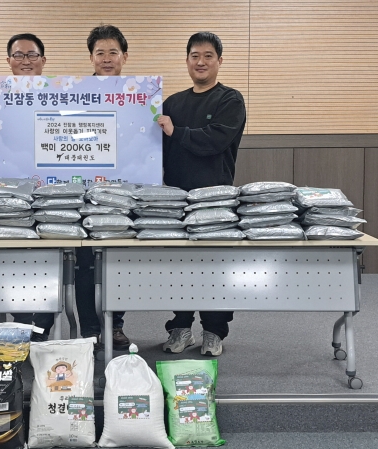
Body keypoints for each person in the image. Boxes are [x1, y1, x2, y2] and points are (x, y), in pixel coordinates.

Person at [157, 31, 246, 356]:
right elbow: (154, 148)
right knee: (178, 267)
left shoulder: (230, 100)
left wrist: (176, 131)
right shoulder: (173, 103)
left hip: (215, 200)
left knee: (215, 267)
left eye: (208, 56)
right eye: (195, 55)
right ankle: (180, 327)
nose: (201, 61)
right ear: (187, 61)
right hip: (176, 199)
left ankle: (213, 331)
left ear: (219, 61)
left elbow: (215, 140)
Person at [74, 25, 131, 351]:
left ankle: (116, 326)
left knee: (119, 261)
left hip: (123, 192)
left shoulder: (141, 96)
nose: (107, 59)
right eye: (100, 53)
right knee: (84, 263)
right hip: (83, 191)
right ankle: (89, 329)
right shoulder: (75, 93)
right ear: (91, 58)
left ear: (124, 56)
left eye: (113, 52)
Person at [3, 33, 55, 341]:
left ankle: (44, 330)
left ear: (43, 60)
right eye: (19, 55)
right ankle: (21, 327)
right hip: (12, 193)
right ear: (9, 61)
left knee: (50, 260)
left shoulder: (61, 94)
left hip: (52, 195)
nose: (26, 61)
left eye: (32, 55)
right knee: (16, 261)